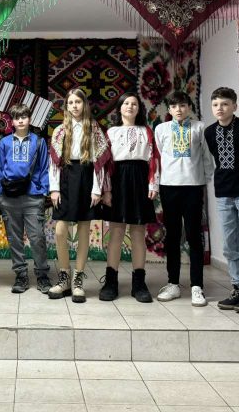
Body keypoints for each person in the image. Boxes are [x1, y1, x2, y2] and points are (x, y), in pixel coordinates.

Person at [48, 88, 112, 303]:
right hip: (66, 177)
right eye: (71, 102)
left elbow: (99, 163)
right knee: (60, 230)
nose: (74, 106)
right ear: (66, 106)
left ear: (84, 104)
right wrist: (54, 189)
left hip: (86, 177)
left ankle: (78, 280)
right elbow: (53, 163)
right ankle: (64, 277)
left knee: (84, 228)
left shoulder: (93, 129)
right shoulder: (59, 130)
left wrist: (97, 189)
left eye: (78, 102)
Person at [98, 93, 160, 302]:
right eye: (126, 103)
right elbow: (105, 165)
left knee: (138, 232)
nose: (130, 106)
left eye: (134, 104)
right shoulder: (111, 132)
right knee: (116, 232)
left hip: (140, 180)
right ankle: (110, 282)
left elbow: (154, 159)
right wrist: (107, 190)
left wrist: (153, 184)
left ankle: (139, 283)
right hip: (118, 181)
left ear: (139, 108)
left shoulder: (147, 131)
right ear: (119, 108)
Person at [154, 91, 214, 307]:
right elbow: (159, 157)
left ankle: (197, 285)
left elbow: (207, 157)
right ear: (169, 109)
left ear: (189, 107)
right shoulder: (161, 129)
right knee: (172, 236)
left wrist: (204, 180)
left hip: (193, 188)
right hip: (169, 187)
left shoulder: (199, 128)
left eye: (182, 105)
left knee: (194, 235)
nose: (178, 109)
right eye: (174, 106)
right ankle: (173, 283)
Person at [204, 87, 239, 313]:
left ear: (234, 105)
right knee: (229, 243)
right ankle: (238, 288)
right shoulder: (209, 132)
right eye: (215, 105)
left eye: (225, 104)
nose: (220, 109)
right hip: (223, 193)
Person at [0, 103, 51, 294]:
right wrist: (0, 193)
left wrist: (43, 190)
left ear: (30, 119)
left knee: (37, 237)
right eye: (16, 117)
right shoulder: (4, 143)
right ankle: (20, 275)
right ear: (11, 121)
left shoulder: (39, 142)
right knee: (14, 238)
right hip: (9, 197)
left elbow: (44, 167)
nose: (20, 120)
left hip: (33, 196)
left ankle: (42, 275)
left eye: (24, 117)